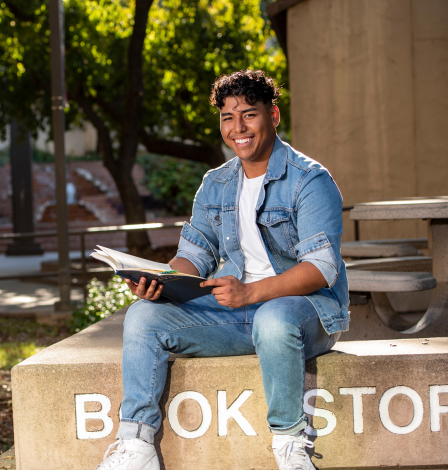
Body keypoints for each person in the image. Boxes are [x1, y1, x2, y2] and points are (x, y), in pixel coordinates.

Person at [93, 70, 349, 470]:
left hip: (305, 313)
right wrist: (162, 281)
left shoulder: (309, 180)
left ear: (273, 116)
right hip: (237, 314)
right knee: (144, 316)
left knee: (273, 319)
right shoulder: (216, 183)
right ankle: (136, 445)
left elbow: (321, 268)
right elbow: (194, 255)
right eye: (228, 117)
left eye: (249, 114)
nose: (238, 128)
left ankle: (290, 444)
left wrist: (250, 293)